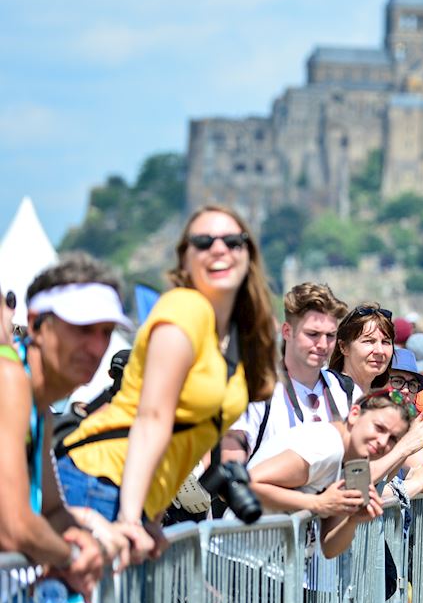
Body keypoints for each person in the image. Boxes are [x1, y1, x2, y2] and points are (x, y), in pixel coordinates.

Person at [57, 206, 277, 555]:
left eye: (233, 241)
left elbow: (185, 440)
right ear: (185, 259)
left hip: (133, 494)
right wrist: (131, 518)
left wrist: (150, 517)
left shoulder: (235, 336)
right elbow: (152, 418)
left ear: (248, 254)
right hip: (99, 479)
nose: (218, 248)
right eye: (203, 242)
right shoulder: (183, 309)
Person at [0, 255, 159, 603]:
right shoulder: (9, 377)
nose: (95, 345)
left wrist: (90, 538)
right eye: (80, 328)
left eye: (105, 331)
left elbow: (50, 508)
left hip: (17, 599)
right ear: (37, 324)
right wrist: (71, 557)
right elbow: (14, 527)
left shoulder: (39, 402)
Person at [247, 389, 403, 558]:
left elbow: (330, 548)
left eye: (393, 438)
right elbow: (249, 483)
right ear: (354, 414)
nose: (382, 442)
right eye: (379, 427)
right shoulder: (327, 445)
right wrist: (317, 503)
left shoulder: (355, 461)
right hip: (240, 565)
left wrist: (354, 520)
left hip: (276, 570)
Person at [222, 282, 348, 467]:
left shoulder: (348, 391)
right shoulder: (258, 392)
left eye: (330, 336)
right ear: (287, 331)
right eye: (313, 334)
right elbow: (231, 471)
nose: (323, 344)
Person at [331, 303, 396, 401]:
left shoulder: (384, 401)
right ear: (343, 347)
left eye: (385, 342)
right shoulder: (327, 395)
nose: (380, 351)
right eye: (369, 341)